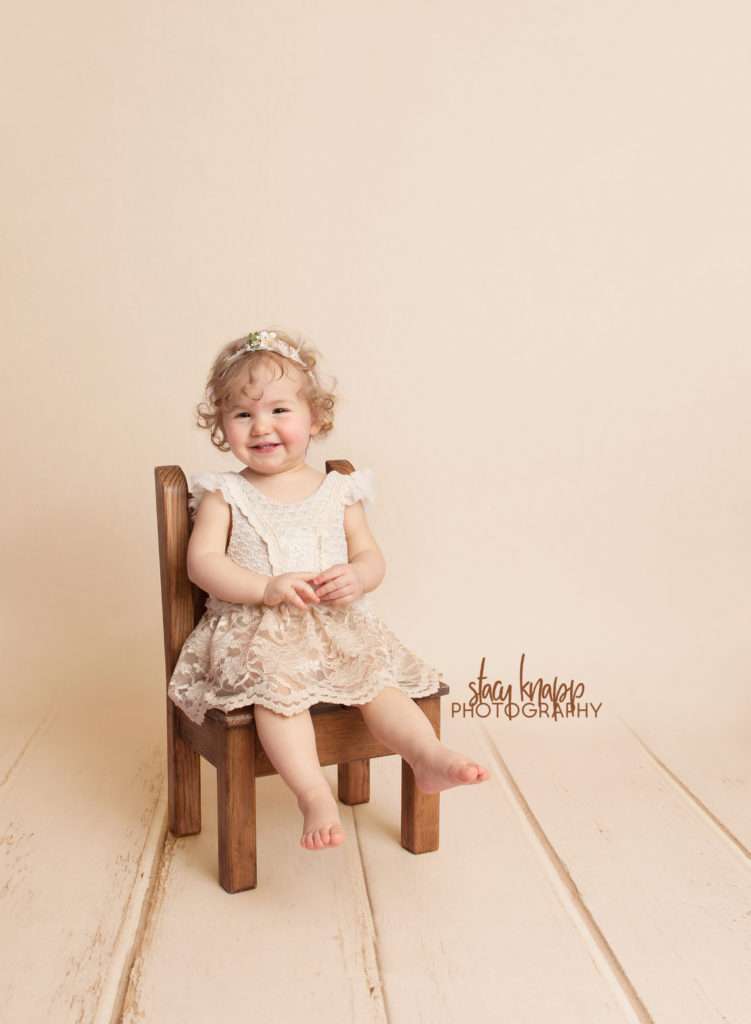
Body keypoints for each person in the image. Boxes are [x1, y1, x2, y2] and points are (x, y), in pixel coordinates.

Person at [168, 328, 490, 851]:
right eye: (243, 414)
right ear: (222, 428)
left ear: (315, 418)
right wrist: (266, 587)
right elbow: (202, 564)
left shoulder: (340, 491)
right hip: (255, 636)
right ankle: (313, 794)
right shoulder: (223, 495)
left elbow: (370, 556)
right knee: (278, 691)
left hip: (335, 629)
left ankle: (427, 757)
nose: (262, 426)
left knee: (377, 680)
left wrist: (357, 577)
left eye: (279, 410)